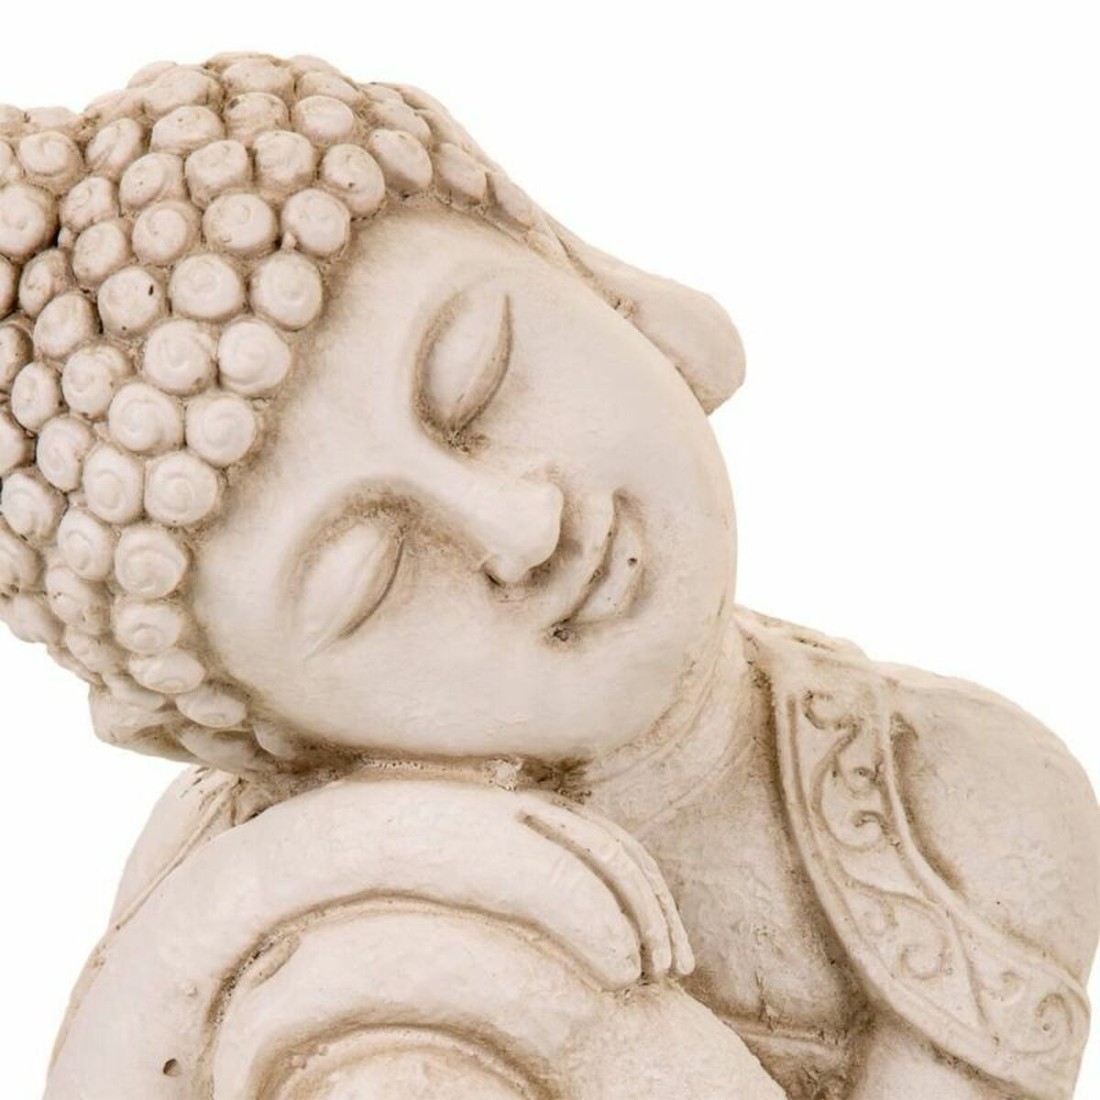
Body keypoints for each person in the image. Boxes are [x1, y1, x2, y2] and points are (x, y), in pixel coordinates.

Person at [1, 54, 1096, 1100]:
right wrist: (254, 892)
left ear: (588, 273)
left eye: (477, 378)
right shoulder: (256, 888)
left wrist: (598, 1032)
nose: (520, 525)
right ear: (255, 729)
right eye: (372, 576)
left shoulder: (950, 808)